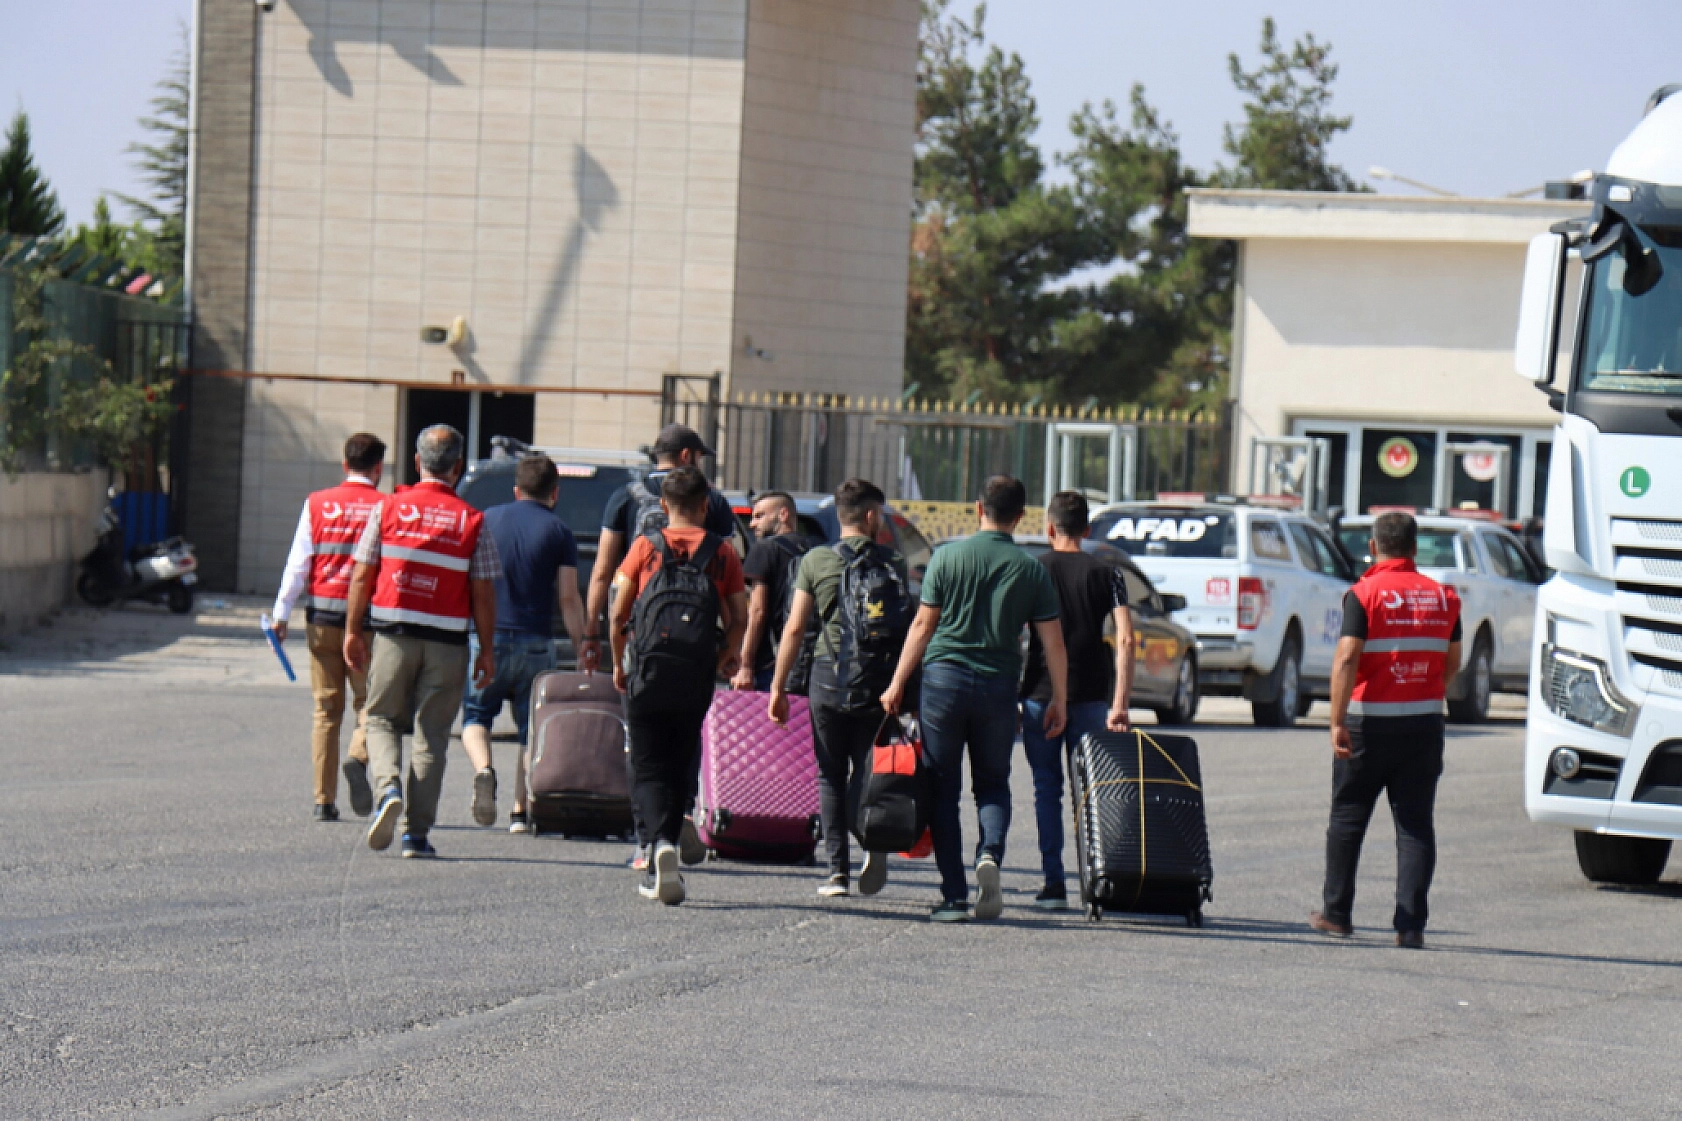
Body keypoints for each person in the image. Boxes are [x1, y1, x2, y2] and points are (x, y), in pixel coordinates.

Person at [882, 475, 1068, 923]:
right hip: (998, 686)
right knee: (993, 783)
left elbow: (923, 626)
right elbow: (1053, 643)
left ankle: (953, 896)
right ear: (1020, 517)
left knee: (943, 787)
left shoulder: (947, 558)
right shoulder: (1031, 570)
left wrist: (897, 682)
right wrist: (1060, 698)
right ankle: (989, 854)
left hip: (943, 682)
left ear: (978, 508)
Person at [582, 422, 735, 869]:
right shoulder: (715, 510)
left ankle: (648, 842)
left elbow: (606, 580)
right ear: (687, 457)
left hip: (646, 655)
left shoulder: (626, 501)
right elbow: (738, 609)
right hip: (697, 658)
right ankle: (681, 815)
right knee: (685, 746)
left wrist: (602, 644)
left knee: (645, 754)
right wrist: (730, 653)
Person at [343, 425, 500, 859]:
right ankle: (415, 834)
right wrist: (486, 650)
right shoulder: (472, 521)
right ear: (458, 467)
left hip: (393, 635)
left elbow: (362, 573)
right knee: (432, 735)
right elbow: (483, 592)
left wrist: (353, 630)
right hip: (448, 642)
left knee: (380, 719)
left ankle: (388, 787)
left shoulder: (389, 508)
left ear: (417, 462)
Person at [1311, 511, 1462, 949]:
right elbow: (1453, 660)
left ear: (1373, 547)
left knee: (1348, 817)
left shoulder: (1364, 594)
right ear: (1414, 549)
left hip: (1368, 724)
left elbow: (1347, 657)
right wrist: (1425, 689)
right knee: (1415, 826)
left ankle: (1337, 914)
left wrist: (1337, 720)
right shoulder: (1444, 597)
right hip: (1423, 724)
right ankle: (1410, 927)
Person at [608, 467, 747, 905]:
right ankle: (670, 841)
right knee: (680, 759)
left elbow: (618, 612)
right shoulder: (723, 553)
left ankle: (659, 849)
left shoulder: (645, 547)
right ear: (705, 505)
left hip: (647, 671)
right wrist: (725, 656)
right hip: (695, 675)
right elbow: (739, 618)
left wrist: (619, 662)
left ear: (664, 505)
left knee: (648, 765)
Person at [768, 478, 910, 899]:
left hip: (827, 678)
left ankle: (836, 873)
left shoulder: (815, 560)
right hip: (876, 681)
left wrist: (778, 686)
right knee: (868, 770)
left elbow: (795, 628)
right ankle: (872, 840)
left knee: (830, 774)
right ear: (870, 515)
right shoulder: (892, 561)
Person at [459, 454, 588, 834]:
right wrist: (582, 644)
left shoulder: (486, 520)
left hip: (487, 638)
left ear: (516, 490)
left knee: (475, 717)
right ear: (555, 493)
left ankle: (484, 769)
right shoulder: (559, 531)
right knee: (531, 730)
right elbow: (568, 597)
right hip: (536, 641)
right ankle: (519, 812)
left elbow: (470, 580)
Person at [1018, 491, 1134, 911]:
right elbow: (1126, 638)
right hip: (1090, 695)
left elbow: (1015, 633)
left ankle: (1053, 883)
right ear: (1087, 529)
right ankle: (1095, 881)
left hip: (1040, 693)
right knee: (1092, 791)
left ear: (1049, 528)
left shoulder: (1033, 570)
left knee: (1046, 789)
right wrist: (1120, 703)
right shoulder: (1109, 574)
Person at [271, 432, 387, 822]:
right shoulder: (385, 507)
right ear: (378, 468)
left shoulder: (318, 503)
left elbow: (298, 563)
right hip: (365, 623)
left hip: (321, 618)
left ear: (344, 464)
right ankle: (358, 756)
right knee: (370, 704)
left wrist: (281, 613)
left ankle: (323, 800)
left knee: (325, 710)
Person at [733, 490, 812, 693]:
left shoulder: (765, 549)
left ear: (783, 514)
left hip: (770, 662)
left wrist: (746, 665)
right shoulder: (811, 551)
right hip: (806, 662)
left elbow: (758, 611)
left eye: (759, 516)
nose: (752, 524)